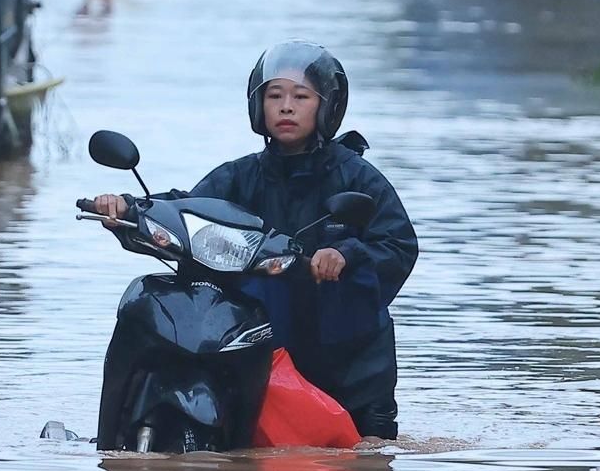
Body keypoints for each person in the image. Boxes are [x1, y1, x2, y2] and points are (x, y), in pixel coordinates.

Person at [89, 41, 418, 439]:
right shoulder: (239, 176)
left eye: (301, 97)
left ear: (327, 106)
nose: (286, 107)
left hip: (346, 362)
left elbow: (398, 245)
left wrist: (345, 254)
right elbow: (190, 208)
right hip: (252, 345)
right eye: (274, 95)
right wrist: (127, 208)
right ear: (258, 105)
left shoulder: (359, 178)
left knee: (364, 464)